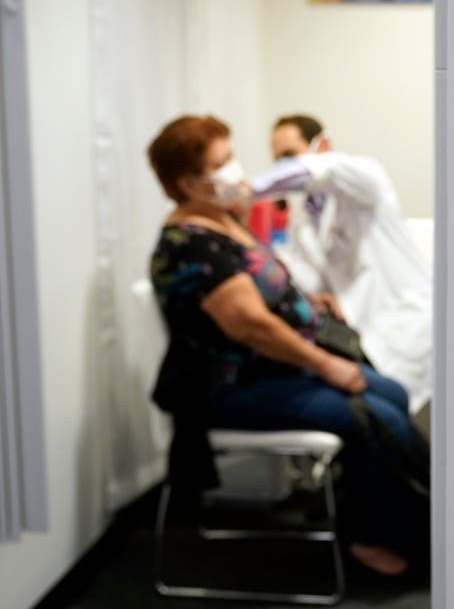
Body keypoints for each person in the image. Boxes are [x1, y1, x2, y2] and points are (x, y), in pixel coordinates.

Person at [146, 114, 426, 577]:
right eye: (221, 163)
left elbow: (264, 286)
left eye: (231, 155)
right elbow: (252, 327)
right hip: (233, 386)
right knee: (369, 416)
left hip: (277, 367)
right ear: (188, 183)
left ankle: (411, 517)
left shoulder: (222, 220)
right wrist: (326, 366)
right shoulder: (190, 246)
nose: (235, 169)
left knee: (392, 394)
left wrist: (305, 301)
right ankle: (376, 539)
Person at [253, 115, 432, 427]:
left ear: (321, 144)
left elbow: (325, 170)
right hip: (357, 330)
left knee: (389, 415)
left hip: (406, 321)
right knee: (369, 414)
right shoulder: (303, 213)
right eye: (277, 158)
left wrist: (250, 189)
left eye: (289, 155)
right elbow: (307, 276)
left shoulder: (364, 178)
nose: (283, 166)